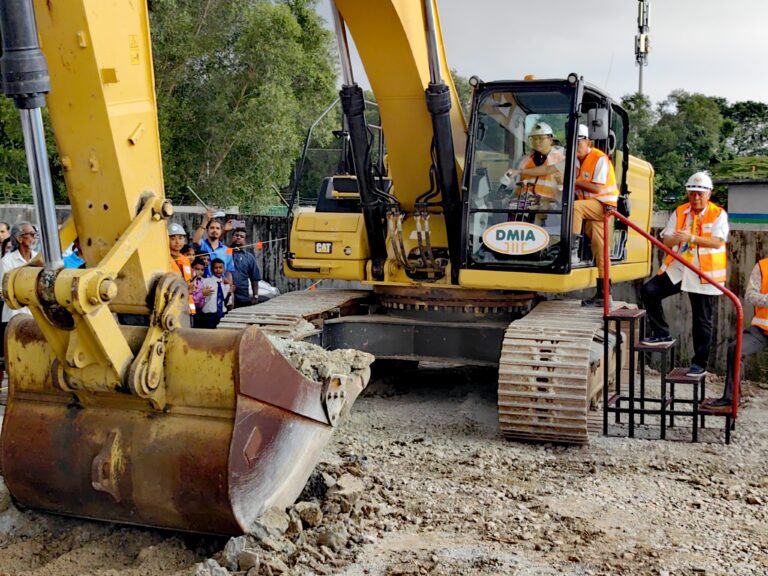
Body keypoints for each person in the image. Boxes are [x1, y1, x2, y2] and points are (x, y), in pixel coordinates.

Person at [640, 171, 729, 377]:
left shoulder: (718, 214)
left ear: (709, 194)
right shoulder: (680, 212)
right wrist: (676, 238)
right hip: (680, 267)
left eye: (700, 193)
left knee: (701, 321)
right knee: (650, 290)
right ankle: (661, 332)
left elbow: (718, 241)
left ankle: (700, 363)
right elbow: (666, 240)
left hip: (703, 273)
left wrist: (692, 238)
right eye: (692, 193)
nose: (695, 198)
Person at [706, 257, 768, 408]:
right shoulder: (763, 266)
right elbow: (750, 295)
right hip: (762, 329)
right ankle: (730, 398)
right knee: (735, 349)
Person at [571, 124, 619, 307]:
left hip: (604, 206)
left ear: (587, 141)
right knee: (601, 250)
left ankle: (572, 248)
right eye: (574, 142)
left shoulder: (599, 158)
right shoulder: (575, 160)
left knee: (576, 208)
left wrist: (573, 182)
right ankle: (604, 294)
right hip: (591, 208)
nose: (576, 146)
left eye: (579, 142)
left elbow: (598, 188)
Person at [503, 122, 565, 209]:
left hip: (549, 207)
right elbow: (514, 184)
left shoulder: (561, 159)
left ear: (550, 140)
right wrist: (507, 180)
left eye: (540, 138)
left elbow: (566, 189)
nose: (536, 141)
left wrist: (561, 183)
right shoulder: (524, 160)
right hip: (521, 203)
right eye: (534, 138)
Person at [0, 222, 39, 346]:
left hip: (36, 316)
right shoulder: (7, 261)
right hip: (14, 317)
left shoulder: (38, 259)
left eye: (35, 234)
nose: (34, 238)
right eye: (31, 234)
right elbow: (2, 290)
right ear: (19, 238)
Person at [192, 208, 234, 283]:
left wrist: (230, 286)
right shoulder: (202, 244)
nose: (215, 230)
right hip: (202, 286)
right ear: (207, 230)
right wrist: (206, 221)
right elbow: (195, 240)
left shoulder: (227, 250)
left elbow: (229, 271)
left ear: (221, 231)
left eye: (217, 228)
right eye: (212, 228)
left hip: (220, 286)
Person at [168, 222, 196, 318]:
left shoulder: (185, 259)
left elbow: (187, 280)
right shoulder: (164, 258)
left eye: (180, 238)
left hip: (185, 301)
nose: (177, 242)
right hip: (171, 301)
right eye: (172, 239)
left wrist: (190, 285)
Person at [229, 227, 262, 308]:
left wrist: (255, 296)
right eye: (236, 235)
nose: (238, 237)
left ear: (245, 241)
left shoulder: (249, 257)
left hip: (242, 297)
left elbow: (254, 278)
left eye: (242, 236)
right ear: (232, 237)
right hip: (225, 296)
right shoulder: (224, 253)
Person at [197, 258, 231, 329]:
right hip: (209, 315)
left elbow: (226, 299)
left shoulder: (226, 283)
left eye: (220, 267)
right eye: (216, 268)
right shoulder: (206, 281)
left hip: (222, 314)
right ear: (211, 269)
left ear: (224, 269)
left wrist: (229, 288)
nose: (218, 270)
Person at [190, 256, 212, 327]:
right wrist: (202, 293)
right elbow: (191, 299)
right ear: (191, 268)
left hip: (199, 311)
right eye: (197, 269)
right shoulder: (189, 283)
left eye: (202, 270)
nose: (200, 272)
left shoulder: (200, 283)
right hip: (190, 312)